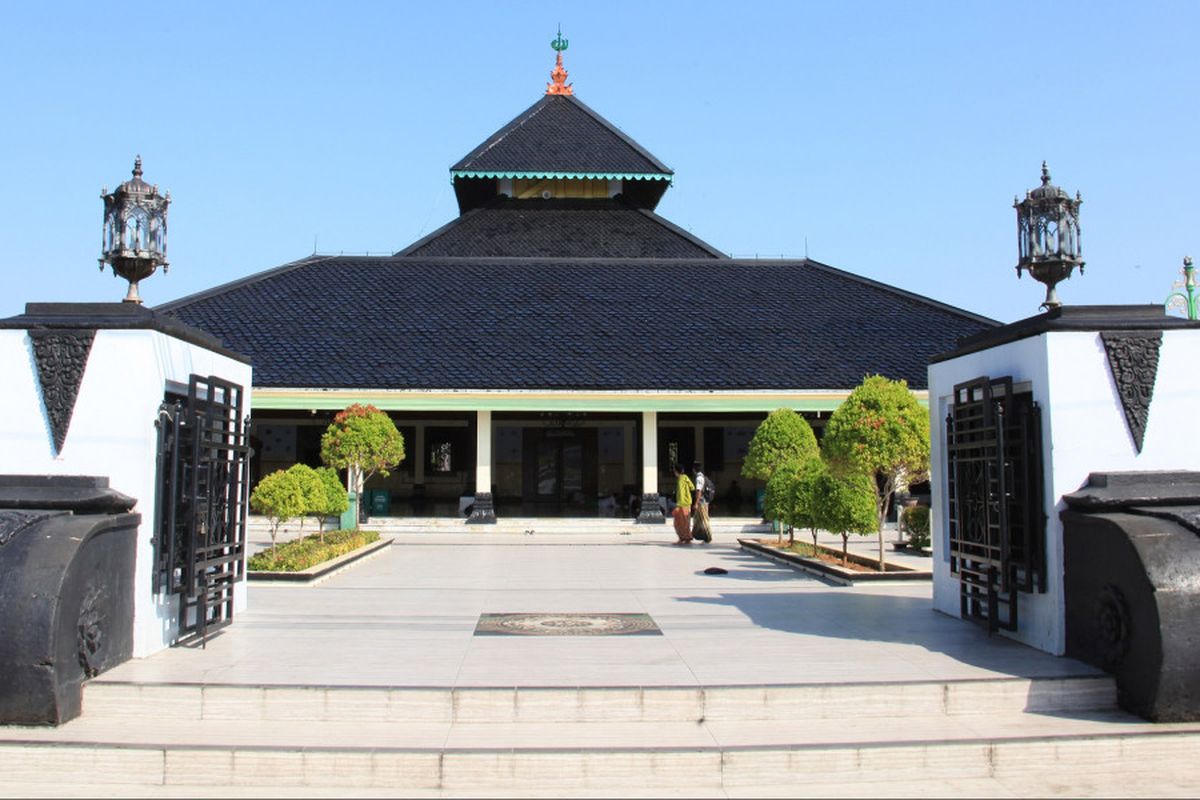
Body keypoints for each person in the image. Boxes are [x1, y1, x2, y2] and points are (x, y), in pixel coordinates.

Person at [671, 464, 694, 544]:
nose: (674, 473)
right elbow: (692, 487)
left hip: (682, 504)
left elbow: (681, 492)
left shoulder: (680, 480)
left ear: (677, 471)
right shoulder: (686, 478)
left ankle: (682, 537)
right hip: (688, 503)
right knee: (686, 522)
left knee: (677, 522)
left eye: (674, 471)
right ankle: (687, 538)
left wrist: (678, 505)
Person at [691, 461, 712, 543]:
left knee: (704, 519)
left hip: (702, 501)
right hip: (703, 501)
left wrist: (696, 503)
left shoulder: (699, 478)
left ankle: (708, 537)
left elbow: (699, 491)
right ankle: (696, 535)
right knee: (698, 519)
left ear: (694, 469)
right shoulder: (702, 476)